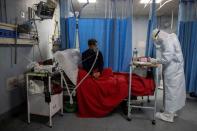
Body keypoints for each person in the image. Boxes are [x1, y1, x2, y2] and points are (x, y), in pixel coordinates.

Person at [150, 29, 186, 123]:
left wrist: (156, 60)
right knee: (174, 91)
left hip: (172, 70)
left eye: (156, 39)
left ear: (157, 36)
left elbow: (167, 58)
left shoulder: (167, 41)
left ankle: (168, 115)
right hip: (176, 69)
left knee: (171, 91)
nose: (157, 42)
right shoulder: (172, 37)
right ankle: (170, 111)